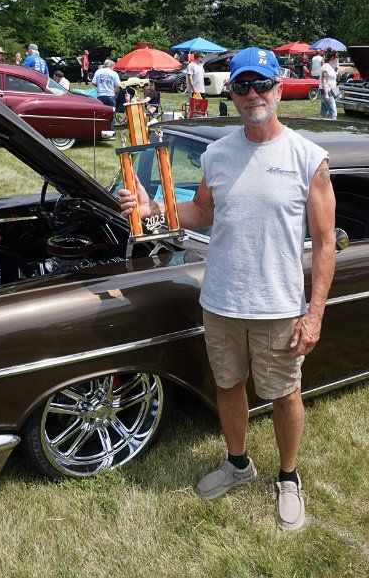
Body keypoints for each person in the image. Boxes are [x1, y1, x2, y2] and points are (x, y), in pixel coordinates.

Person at [117, 47, 336, 531]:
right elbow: (203, 214)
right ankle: (238, 464)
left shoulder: (308, 158)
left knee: (284, 394)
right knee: (228, 385)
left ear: (279, 89)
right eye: (242, 86)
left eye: (262, 85)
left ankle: (287, 477)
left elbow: (325, 244)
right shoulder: (218, 154)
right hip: (220, 299)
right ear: (231, 94)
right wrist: (153, 208)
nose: (253, 94)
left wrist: (314, 311)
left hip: (278, 303)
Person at [92, 59, 120, 129]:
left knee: (101, 114)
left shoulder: (98, 72)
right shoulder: (114, 73)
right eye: (113, 67)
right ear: (110, 66)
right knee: (111, 114)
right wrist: (116, 93)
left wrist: (100, 86)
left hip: (100, 95)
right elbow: (118, 85)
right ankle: (111, 130)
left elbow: (93, 82)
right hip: (110, 95)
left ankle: (101, 129)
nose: (114, 68)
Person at [319, 50, 339, 120]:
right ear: (333, 58)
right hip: (327, 92)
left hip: (328, 92)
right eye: (337, 57)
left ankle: (318, 128)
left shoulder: (329, 67)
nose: (337, 59)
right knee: (333, 114)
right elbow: (324, 81)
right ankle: (333, 129)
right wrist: (326, 94)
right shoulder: (326, 67)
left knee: (322, 113)